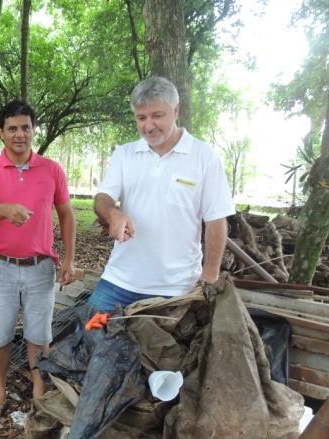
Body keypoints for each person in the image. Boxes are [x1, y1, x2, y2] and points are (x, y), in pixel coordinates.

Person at [90, 76, 235, 311]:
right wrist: (111, 213)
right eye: (141, 117)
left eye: (157, 116)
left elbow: (216, 220)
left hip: (177, 287)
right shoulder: (124, 155)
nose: (148, 126)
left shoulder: (203, 156)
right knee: (90, 337)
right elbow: (102, 198)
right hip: (120, 280)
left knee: (163, 347)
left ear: (175, 111)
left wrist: (209, 276)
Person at [0, 100, 76, 424]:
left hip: (40, 267)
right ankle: (0, 392)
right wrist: (7, 210)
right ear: (2, 133)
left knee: (38, 335)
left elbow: (67, 213)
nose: (20, 134)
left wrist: (70, 259)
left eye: (25, 127)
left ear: (34, 130)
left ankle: (38, 391)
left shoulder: (52, 170)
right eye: (12, 128)